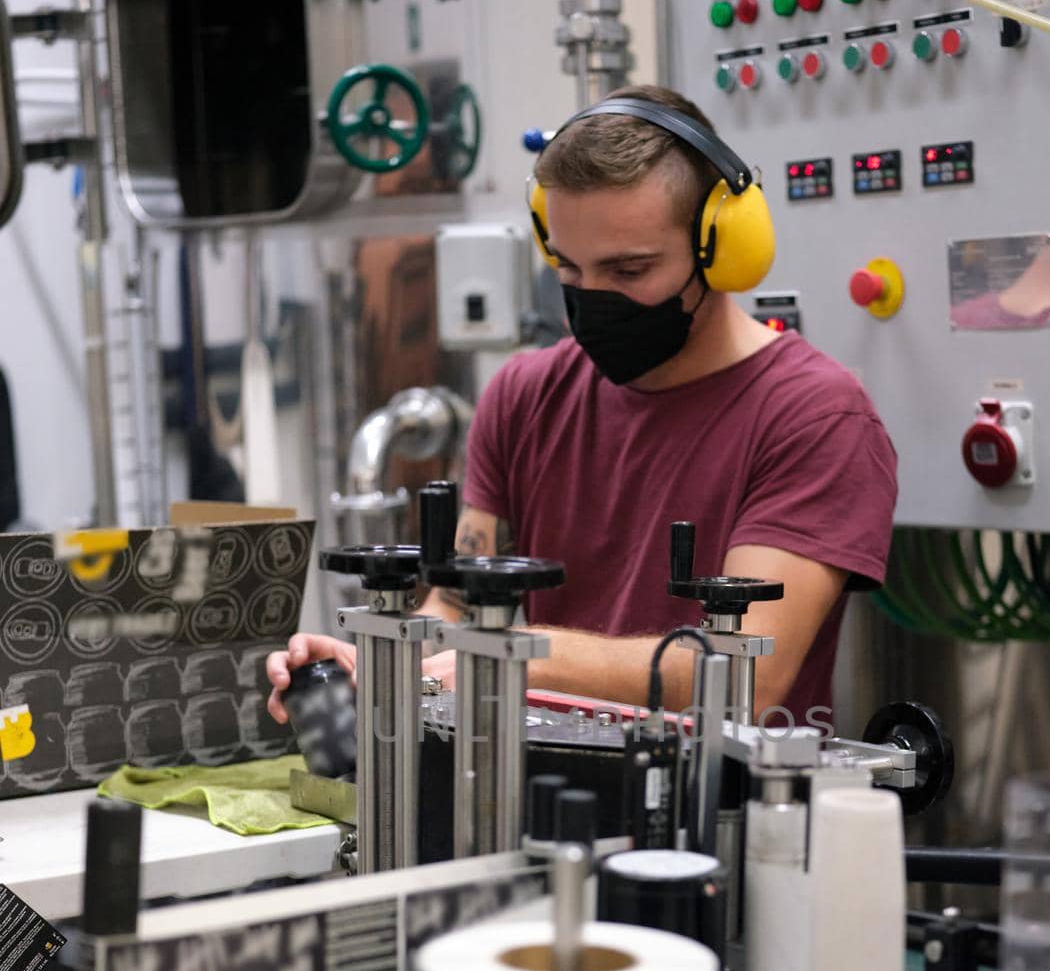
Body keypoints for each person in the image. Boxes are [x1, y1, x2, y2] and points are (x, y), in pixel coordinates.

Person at [267, 84, 896, 731]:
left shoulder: (815, 418)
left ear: (721, 251)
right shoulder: (525, 396)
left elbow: (747, 679)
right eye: (569, 271)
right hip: (539, 798)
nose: (593, 299)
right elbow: (454, 612)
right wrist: (378, 664)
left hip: (726, 817)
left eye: (628, 271)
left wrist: (528, 659)